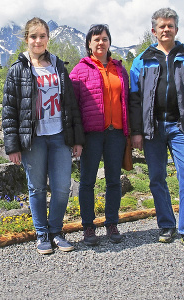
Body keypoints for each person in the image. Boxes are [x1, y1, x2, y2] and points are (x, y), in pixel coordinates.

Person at [129, 8, 184, 252]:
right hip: (152, 128)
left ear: (176, 29)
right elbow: (134, 99)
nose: (165, 29)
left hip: (181, 127)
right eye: (161, 26)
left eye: (170, 25)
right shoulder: (142, 60)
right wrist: (136, 131)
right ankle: (167, 225)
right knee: (157, 178)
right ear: (153, 30)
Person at [2, 17, 85, 255]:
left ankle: (56, 230)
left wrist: (77, 139)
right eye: (33, 36)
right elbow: (9, 111)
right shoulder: (17, 70)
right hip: (33, 139)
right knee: (36, 187)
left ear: (48, 38)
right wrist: (12, 146)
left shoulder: (59, 67)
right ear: (26, 39)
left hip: (59, 136)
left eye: (42, 36)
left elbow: (71, 105)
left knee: (61, 188)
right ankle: (42, 234)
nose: (38, 41)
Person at [70, 24, 130, 246]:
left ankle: (112, 223)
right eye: (96, 39)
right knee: (87, 181)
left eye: (104, 39)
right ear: (88, 44)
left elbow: (127, 101)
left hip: (116, 135)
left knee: (114, 181)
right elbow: (72, 108)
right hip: (91, 135)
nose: (100, 43)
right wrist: (76, 138)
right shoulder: (79, 70)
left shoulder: (119, 69)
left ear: (109, 42)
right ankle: (88, 227)